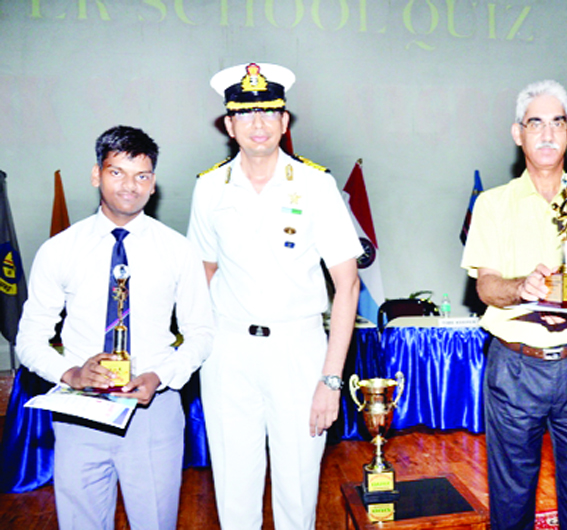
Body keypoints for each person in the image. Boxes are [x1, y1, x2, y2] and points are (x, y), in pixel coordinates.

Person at [187, 62, 361, 530]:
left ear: (285, 122)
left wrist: (330, 379)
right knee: (234, 492)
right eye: (246, 114)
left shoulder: (316, 185)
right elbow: (203, 273)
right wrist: (203, 351)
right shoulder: (208, 189)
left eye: (269, 111)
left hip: (298, 350)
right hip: (229, 353)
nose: (258, 123)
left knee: (298, 491)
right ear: (229, 125)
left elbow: (347, 284)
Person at [16, 125, 214, 530]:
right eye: (116, 172)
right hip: (79, 413)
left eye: (141, 175)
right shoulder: (59, 250)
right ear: (96, 175)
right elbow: (28, 340)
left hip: (153, 412)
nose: (130, 186)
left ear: (153, 183)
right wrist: (70, 373)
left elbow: (202, 333)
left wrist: (161, 376)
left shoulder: (178, 250)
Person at [461, 80, 567, 530]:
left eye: (557, 122)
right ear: (519, 133)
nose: (547, 133)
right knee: (511, 495)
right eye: (536, 122)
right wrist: (524, 289)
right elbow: (487, 288)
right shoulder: (493, 205)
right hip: (515, 366)